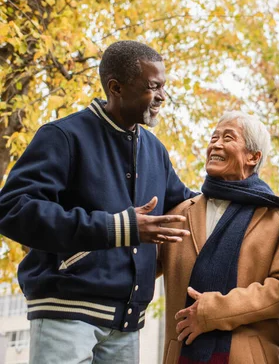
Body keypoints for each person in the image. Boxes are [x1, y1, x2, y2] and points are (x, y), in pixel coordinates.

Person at [0, 40, 196, 364]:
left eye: (164, 87)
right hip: (66, 313)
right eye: (153, 87)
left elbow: (185, 205)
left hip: (128, 323)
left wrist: (247, 195)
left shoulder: (155, 150)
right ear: (115, 87)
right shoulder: (63, 136)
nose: (162, 96)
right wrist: (116, 227)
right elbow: (13, 208)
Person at [158, 111, 279, 364]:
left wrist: (213, 311)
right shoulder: (180, 213)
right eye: (214, 137)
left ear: (253, 157)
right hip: (181, 354)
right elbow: (141, 266)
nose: (216, 144)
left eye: (228, 138)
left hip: (250, 356)